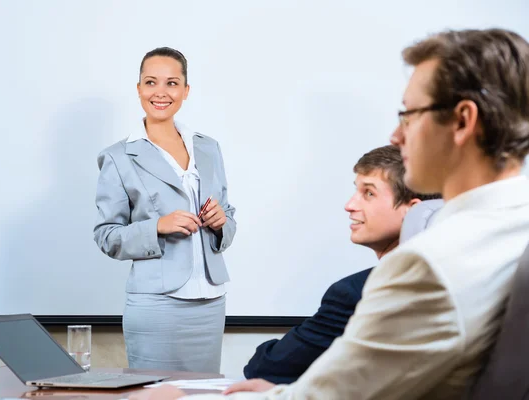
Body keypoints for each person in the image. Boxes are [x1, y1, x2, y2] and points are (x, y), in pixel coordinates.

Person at [130, 28, 529, 399]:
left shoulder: (428, 266)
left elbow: (329, 396)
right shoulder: (515, 226)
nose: (396, 135)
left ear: (462, 121)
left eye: (409, 114)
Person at [244, 145, 440, 384]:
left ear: (413, 210)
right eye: (356, 192)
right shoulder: (452, 276)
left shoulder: (357, 293)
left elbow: (268, 366)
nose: (350, 205)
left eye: (369, 193)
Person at [93, 47, 236, 373]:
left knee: (203, 397)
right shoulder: (118, 157)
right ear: (139, 88)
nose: (161, 92)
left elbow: (228, 213)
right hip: (156, 305)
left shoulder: (207, 147)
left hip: (211, 302)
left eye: (172, 83)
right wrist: (157, 226)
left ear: (185, 91)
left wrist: (221, 222)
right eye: (151, 82)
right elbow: (106, 236)